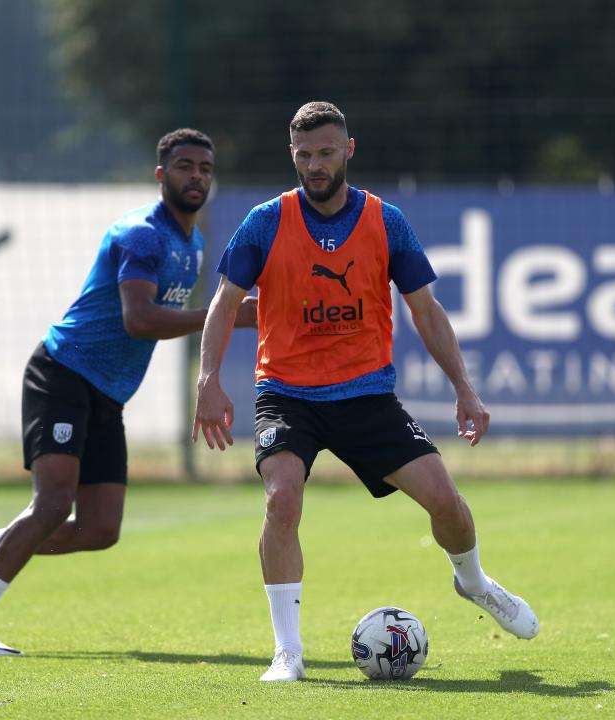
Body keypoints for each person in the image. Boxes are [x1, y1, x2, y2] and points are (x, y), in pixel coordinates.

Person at [193, 101, 538, 683]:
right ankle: (288, 652)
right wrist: (207, 381)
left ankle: (473, 580)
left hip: (365, 395)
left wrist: (464, 388)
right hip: (287, 393)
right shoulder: (265, 221)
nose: (315, 164)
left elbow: (424, 310)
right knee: (282, 499)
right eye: (304, 155)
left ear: (348, 149)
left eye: (326, 152)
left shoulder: (386, 221)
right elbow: (225, 305)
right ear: (292, 156)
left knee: (446, 503)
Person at [0, 128, 257, 656]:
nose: (195, 175)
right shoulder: (142, 234)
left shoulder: (194, 242)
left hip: (107, 393)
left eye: (204, 167)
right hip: (63, 373)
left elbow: (162, 316)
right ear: (161, 175)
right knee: (53, 502)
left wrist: (218, 318)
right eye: (184, 166)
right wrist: (223, 315)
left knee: (101, 527)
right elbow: (138, 319)